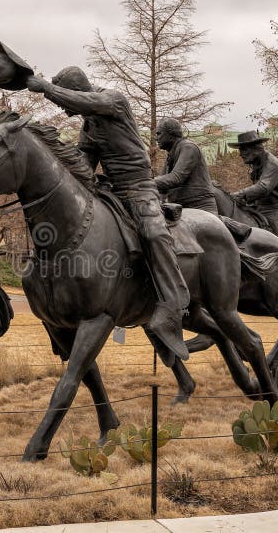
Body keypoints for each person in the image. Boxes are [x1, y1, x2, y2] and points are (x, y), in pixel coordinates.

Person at [24, 66, 189, 354]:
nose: (64, 110)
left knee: (153, 233)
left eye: (64, 103)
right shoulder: (89, 125)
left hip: (139, 187)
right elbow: (85, 164)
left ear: (76, 90)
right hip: (110, 188)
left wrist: (44, 88)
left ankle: (172, 306)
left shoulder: (113, 100)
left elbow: (88, 103)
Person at [228, 130, 278, 245]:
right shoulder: (257, 163)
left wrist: (239, 194)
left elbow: (263, 187)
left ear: (255, 148)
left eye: (243, 150)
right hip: (258, 207)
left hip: (275, 209)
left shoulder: (271, 163)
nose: (241, 154)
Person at [154, 117, 218, 215]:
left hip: (200, 207)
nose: (156, 138)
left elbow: (176, 177)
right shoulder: (172, 153)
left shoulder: (188, 147)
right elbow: (162, 186)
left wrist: (146, 182)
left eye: (159, 133)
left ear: (171, 134)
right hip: (180, 207)